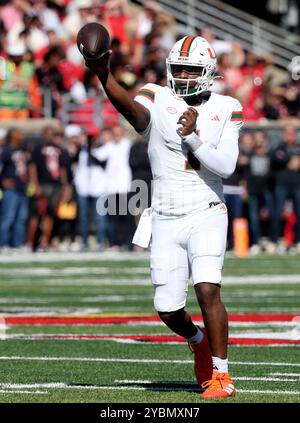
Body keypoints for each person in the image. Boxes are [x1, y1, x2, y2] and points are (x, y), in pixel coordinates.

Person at [85, 34, 243, 399]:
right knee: (168, 309)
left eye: (191, 69)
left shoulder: (227, 106)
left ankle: (221, 375)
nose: (184, 75)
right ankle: (198, 341)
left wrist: (194, 138)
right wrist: (103, 74)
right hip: (166, 216)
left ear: (208, 72)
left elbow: (227, 166)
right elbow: (132, 112)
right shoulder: (156, 96)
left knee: (207, 289)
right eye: (179, 68)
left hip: (206, 209)